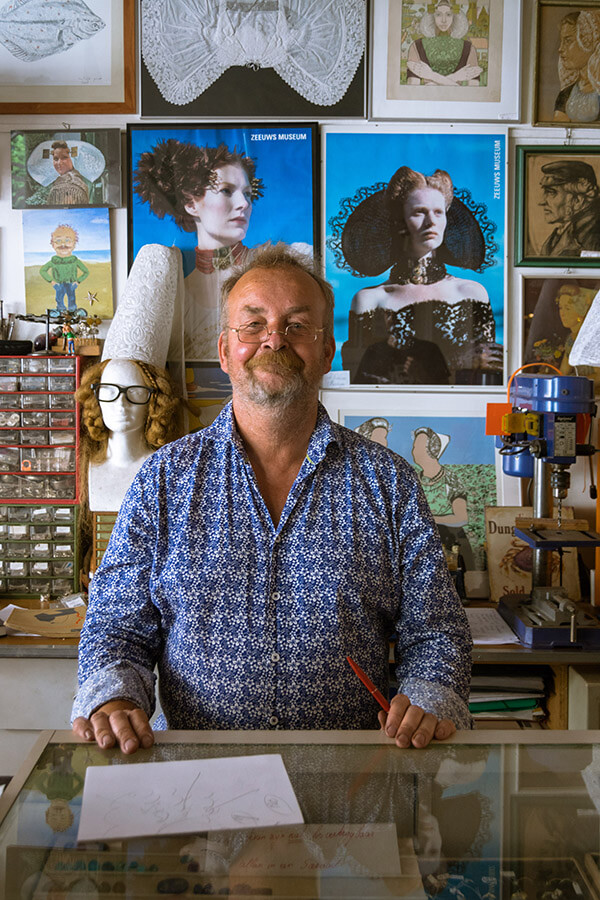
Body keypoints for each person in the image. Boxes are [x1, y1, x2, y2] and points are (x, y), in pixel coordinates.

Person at [71, 243, 472, 754]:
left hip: (349, 791)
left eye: (298, 325)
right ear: (224, 350)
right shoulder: (164, 481)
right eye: (253, 323)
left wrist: (427, 699)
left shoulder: (388, 483)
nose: (274, 340)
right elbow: (115, 630)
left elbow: (437, 631)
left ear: (327, 351)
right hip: (199, 793)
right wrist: (114, 700)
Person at [337, 166, 502, 385]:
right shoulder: (370, 299)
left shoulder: (472, 292)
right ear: (399, 221)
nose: (431, 222)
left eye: (438, 212)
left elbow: (488, 377)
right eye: (419, 212)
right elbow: (361, 381)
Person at [133, 139, 263, 361]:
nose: (244, 203)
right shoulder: (175, 297)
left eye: (248, 194)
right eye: (226, 191)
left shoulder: (278, 266)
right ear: (191, 204)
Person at [76, 357, 181, 514]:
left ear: (153, 401)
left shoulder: (165, 473)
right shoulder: (84, 468)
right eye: (109, 390)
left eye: (135, 392)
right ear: (96, 397)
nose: (121, 403)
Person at [411, 426, 475, 571]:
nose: (413, 451)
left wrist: (429, 519)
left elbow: (461, 517)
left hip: (451, 544)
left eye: (417, 447)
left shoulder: (449, 479)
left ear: (432, 450)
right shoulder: (414, 478)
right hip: (422, 543)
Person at [406, 0, 482, 87]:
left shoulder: (469, 48)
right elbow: (412, 92)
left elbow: (474, 93)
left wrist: (430, 76)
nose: (443, 20)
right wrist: (457, 77)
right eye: (438, 14)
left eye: (448, 14)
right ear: (432, 16)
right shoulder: (417, 46)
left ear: (455, 16)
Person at [538, 159, 600, 257]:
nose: (541, 202)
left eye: (551, 192)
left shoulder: (593, 238)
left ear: (577, 201)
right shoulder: (561, 234)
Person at [554, 10, 600, 125]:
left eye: (568, 41)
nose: (560, 49)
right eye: (561, 41)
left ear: (587, 42)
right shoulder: (565, 94)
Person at [39, 224, 89, 314]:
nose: (63, 244)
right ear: (53, 245)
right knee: (59, 298)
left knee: (72, 297)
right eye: (58, 241)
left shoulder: (75, 261)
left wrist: (78, 281)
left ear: (74, 244)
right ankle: (60, 311)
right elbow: (42, 270)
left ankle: (73, 312)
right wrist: (52, 281)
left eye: (67, 240)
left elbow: (86, 272)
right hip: (58, 284)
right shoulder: (54, 261)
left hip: (71, 283)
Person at [47, 140, 90, 206]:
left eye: (64, 158)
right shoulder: (77, 179)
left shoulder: (68, 185)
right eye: (55, 159)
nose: (59, 163)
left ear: (74, 159)